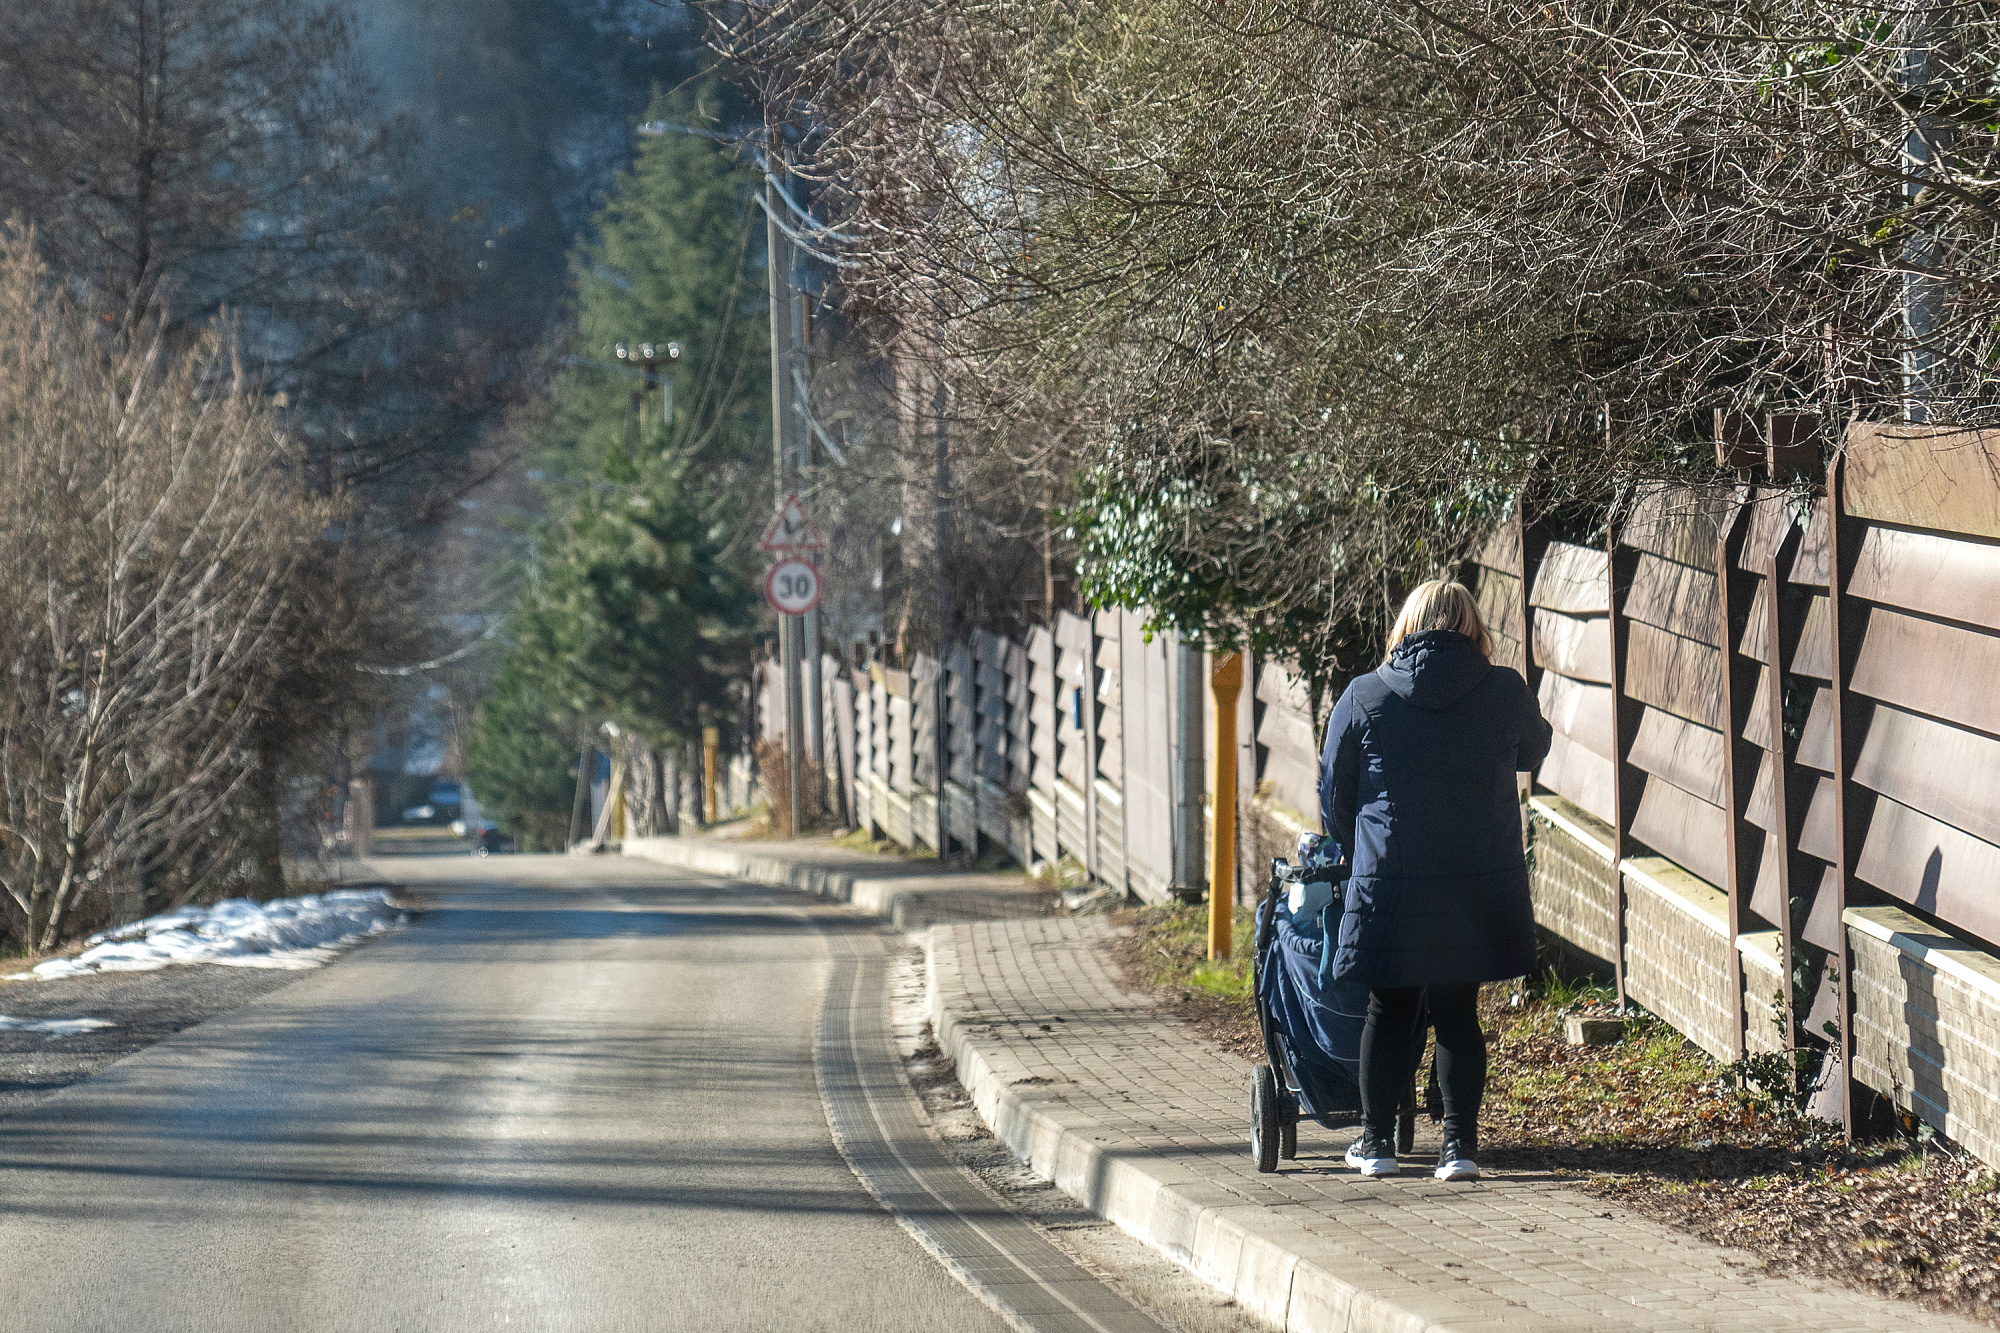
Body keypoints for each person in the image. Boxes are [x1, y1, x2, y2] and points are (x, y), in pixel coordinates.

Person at [1317, 579, 1552, 1182]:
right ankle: (1458, 1149)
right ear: (1474, 629)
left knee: (1388, 1007)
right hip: (1474, 883)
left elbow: (1334, 795)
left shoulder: (1365, 694)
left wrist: (1359, 847)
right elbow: (1534, 750)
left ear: (1405, 626)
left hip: (1389, 881)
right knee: (1457, 1011)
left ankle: (1375, 1145)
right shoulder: (1502, 691)